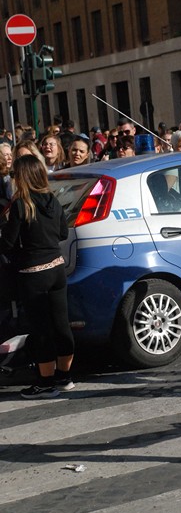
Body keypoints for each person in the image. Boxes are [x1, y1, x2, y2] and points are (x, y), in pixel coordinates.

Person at [0, 155, 74, 398]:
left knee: (41, 329)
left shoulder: (21, 204)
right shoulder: (53, 200)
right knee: (62, 325)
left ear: (22, 177)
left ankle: (45, 382)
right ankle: (64, 377)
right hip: (56, 269)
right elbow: (63, 233)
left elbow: (7, 244)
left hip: (33, 273)